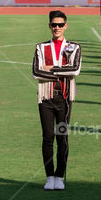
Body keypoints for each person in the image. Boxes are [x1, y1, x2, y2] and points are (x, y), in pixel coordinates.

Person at [33, 10, 82, 190]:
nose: (57, 28)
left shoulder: (74, 47)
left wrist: (51, 68)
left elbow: (75, 70)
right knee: (47, 137)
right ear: (49, 26)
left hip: (65, 97)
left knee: (62, 137)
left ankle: (60, 176)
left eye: (60, 25)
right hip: (45, 96)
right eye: (54, 25)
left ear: (65, 26)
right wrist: (62, 71)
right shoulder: (41, 47)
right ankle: (49, 177)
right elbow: (36, 72)